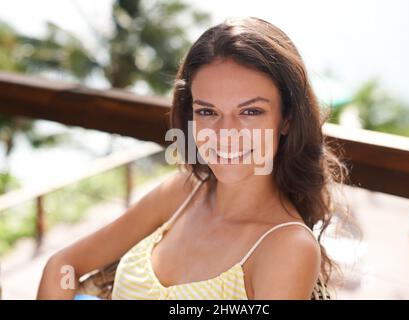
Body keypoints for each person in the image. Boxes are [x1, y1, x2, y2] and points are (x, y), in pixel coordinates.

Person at [37, 16, 346, 300]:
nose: (226, 132)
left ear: (287, 119)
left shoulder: (287, 248)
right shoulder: (183, 192)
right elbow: (63, 267)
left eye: (250, 112)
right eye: (207, 111)